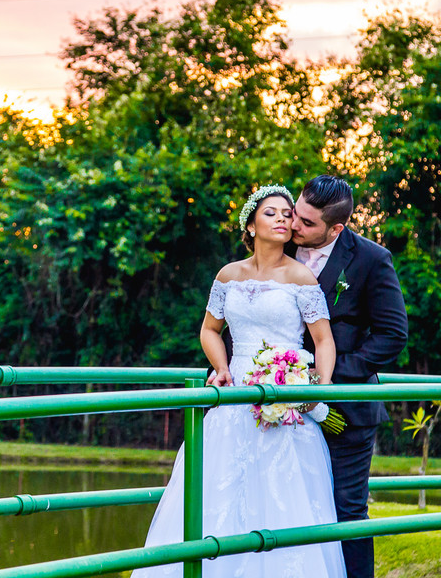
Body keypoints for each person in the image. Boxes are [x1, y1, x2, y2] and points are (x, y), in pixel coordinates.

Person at [132, 184, 347, 578]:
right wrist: (223, 366)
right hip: (233, 396)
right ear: (250, 225)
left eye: (287, 213)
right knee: (219, 490)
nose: (283, 218)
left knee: (282, 497)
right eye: (272, 213)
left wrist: (316, 387)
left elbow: (323, 340)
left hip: (286, 394)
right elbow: (210, 330)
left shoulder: (300, 277)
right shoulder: (228, 275)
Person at [289, 175, 408, 578]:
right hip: (278, 406)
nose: (294, 225)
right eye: (295, 214)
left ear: (336, 228)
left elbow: (392, 336)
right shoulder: (277, 245)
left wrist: (324, 375)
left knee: (347, 510)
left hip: (346, 413)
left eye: (306, 223)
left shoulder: (372, 260)